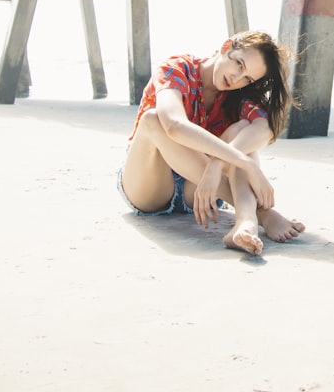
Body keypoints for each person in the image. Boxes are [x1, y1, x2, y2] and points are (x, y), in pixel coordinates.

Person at [118, 30, 305, 255]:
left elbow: (264, 129)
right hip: (149, 186)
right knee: (153, 120)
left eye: (247, 78)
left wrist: (217, 163)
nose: (237, 78)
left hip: (199, 189)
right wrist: (246, 163)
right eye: (238, 64)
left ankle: (245, 222)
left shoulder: (236, 96)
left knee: (244, 128)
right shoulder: (178, 68)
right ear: (227, 46)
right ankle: (261, 213)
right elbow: (173, 124)